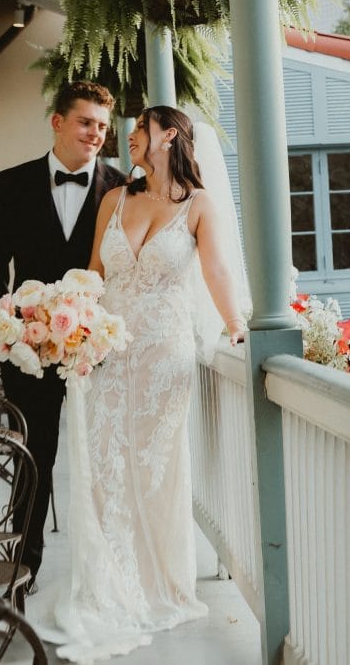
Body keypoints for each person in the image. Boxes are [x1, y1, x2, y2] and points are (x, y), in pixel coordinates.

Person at [33, 105, 250, 662]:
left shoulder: (199, 205)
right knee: (106, 471)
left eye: (138, 130)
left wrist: (237, 329)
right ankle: (110, 584)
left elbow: (217, 271)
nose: (127, 138)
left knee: (155, 471)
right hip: (107, 359)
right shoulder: (115, 198)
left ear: (169, 136)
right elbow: (93, 277)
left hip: (164, 361)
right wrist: (65, 322)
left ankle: (160, 586)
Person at [0, 81, 125, 591]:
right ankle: (25, 563)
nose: (95, 134)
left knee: (106, 457)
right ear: (57, 121)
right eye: (86, 122)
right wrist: (2, 340)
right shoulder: (12, 184)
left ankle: (113, 569)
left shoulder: (122, 188)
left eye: (103, 126)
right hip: (31, 350)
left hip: (99, 352)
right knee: (34, 456)